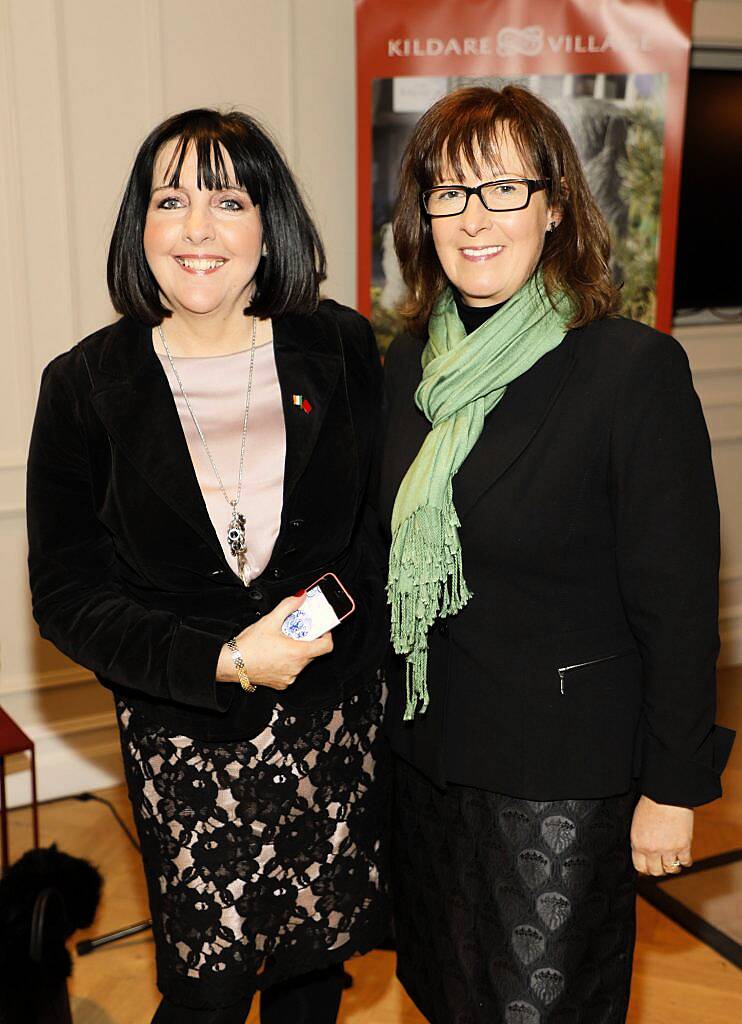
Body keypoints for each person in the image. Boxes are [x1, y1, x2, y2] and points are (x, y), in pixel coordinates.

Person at [379, 85, 735, 1023]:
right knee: (451, 1001)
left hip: (559, 784)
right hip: (425, 767)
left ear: (554, 206)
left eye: (502, 188)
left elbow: (679, 605)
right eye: (448, 193)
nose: (473, 217)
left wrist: (672, 786)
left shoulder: (629, 369)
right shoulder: (410, 364)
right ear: (422, 216)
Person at [26, 108, 389, 1024]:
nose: (195, 228)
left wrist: (299, 630)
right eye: (170, 200)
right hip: (187, 738)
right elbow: (66, 595)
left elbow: (382, 534)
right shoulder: (83, 387)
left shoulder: (341, 348)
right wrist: (227, 660)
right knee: (206, 992)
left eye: (227, 200)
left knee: (315, 971)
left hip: (330, 722)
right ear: (138, 227)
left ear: (269, 229)